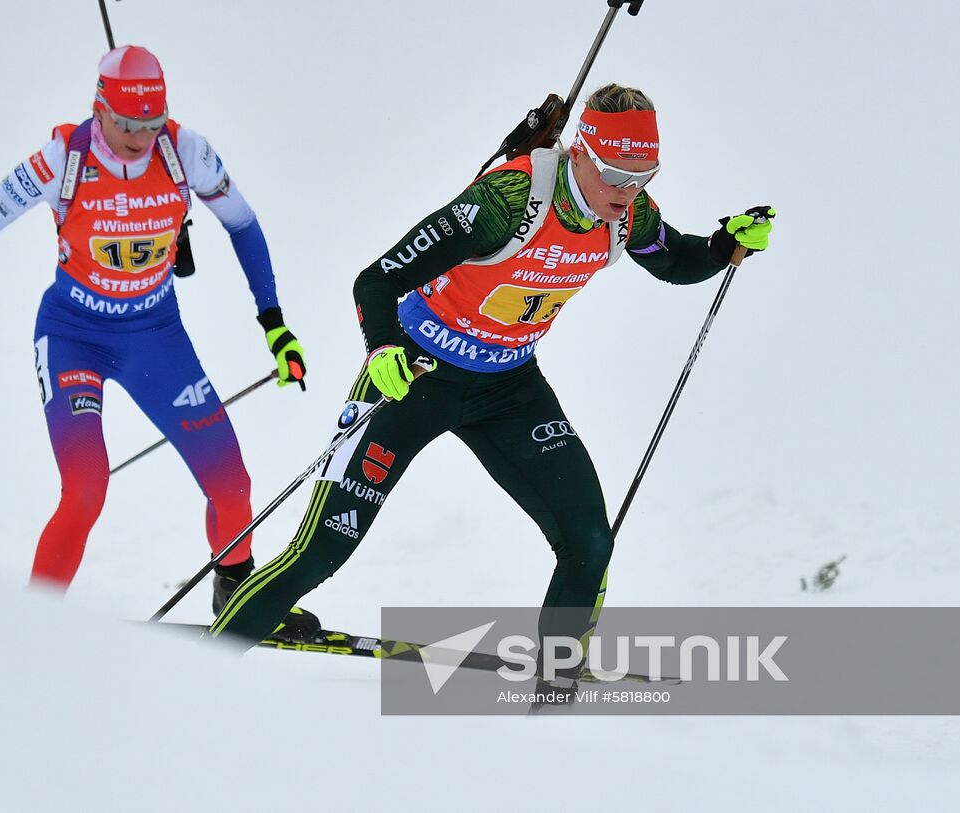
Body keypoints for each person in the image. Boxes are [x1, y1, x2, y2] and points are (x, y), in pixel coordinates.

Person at [207, 84, 773, 690]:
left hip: (508, 387)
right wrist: (383, 350)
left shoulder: (627, 211)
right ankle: (190, 675)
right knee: (321, 551)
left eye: (644, 175)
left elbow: (674, 261)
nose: (628, 191)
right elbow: (374, 282)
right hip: (416, 375)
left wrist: (724, 247)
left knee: (588, 540)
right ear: (580, 152)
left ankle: (553, 702)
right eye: (614, 174)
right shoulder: (507, 201)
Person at [0, 44, 317, 638]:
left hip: (155, 335)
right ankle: (31, 626)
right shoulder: (62, 158)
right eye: (127, 124)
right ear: (99, 108)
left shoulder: (187, 152)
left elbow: (243, 224)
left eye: (151, 124)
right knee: (87, 487)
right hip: (73, 336)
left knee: (234, 489)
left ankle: (236, 595)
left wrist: (274, 324)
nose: (139, 137)